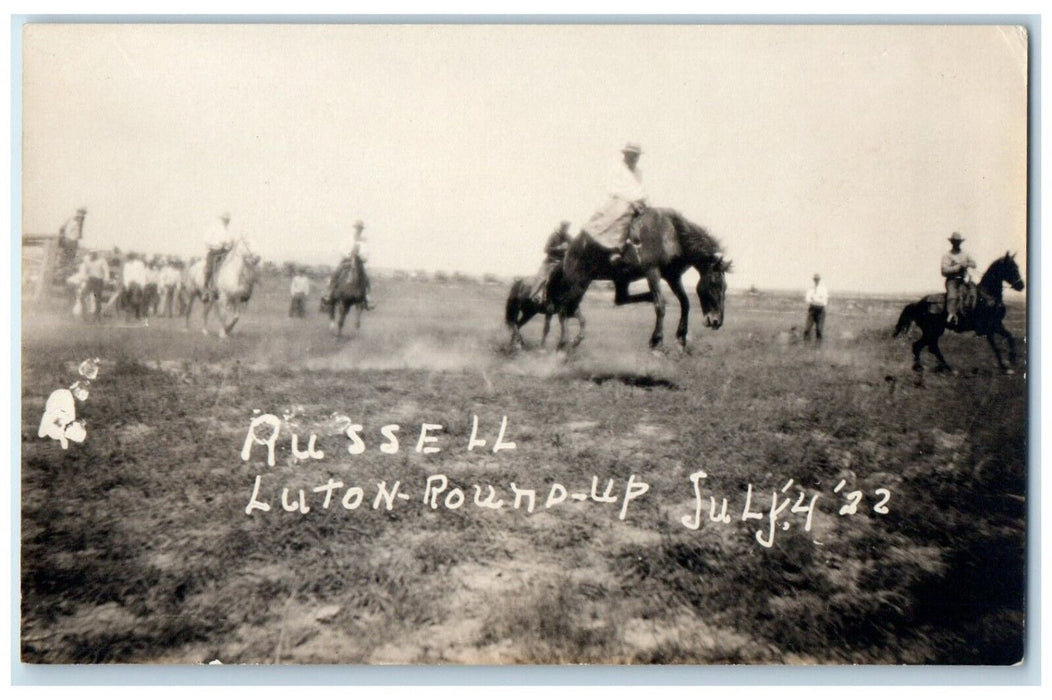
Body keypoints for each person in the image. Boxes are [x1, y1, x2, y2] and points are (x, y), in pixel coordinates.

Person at [581, 142, 647, 266]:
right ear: (626, 155)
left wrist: (642, 200)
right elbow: (614, 189)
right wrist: (631, 202)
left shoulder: (639, 172)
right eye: (632, 155)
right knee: (622, 214)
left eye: (637, 156)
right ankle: (614, 249)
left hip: (637, 201)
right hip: (620, 200)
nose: (635, 158)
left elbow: (639, 189)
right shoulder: (616, 169)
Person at [323, 220, 373, 310]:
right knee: (335, 273)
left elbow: (366, 253)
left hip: (359, 262)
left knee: (366, 278)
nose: (359, 230)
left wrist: (360, 256)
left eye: (360, 228)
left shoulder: (364, 241)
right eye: (357, 228)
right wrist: (349, 254)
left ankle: (367, 299)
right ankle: (329, 294)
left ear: (362, 230)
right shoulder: (348, 239)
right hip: (347, 261)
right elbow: (342, 250)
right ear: (354, 228)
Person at [530, 220, 573, 305]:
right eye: (564, 228)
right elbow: (545, 249)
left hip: (562, 263)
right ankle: (536, 295)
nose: (565, 230)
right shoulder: (553, 236)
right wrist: (559, 248)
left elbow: (574, 247)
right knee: (543, 278)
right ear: (561, 227)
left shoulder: (569, 237)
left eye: (567, 228)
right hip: (550, 262)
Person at [941, 231, 976, 327]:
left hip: (962, 280)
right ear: (951, 243)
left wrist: (968, 264)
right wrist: (958, 267)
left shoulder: (965, 254)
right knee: (952, 296)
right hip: (952, 281)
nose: (957, 244)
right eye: (955, 242)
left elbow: (974, 264)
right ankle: (951, 316)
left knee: (973, 292)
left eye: (958, 242)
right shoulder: (947, 255)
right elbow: (944, 271)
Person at [203, 212, 233, 301]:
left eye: (228, 220)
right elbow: (206, 240)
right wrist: (216, 245)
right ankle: (206, 289)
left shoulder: (228, 231)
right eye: (225, 219)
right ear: (221, 220)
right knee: (209, 269)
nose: (226, 221)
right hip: (214, 251)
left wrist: (229, 245)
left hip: (224, 252)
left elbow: (230, 242)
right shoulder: (213, 229)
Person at [81, 250, 109, 322]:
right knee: (82, 296)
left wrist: (106, 280)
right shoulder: (87, 260)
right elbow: (85, 270)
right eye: (91, 254)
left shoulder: (102, 261)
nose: (92, 255)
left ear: (97, 255)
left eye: (94, 254)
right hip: (90, 280)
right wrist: (85, 278)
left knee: (97, 299)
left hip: (98, 281)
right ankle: (85, 314)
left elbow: (106, 271)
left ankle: (97, 316)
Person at [803, 273, 828, 342]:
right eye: (815, 279)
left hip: (820, 310)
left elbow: (824, 302)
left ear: (819, 280)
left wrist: (813, 299)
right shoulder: (810, 288)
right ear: (813, 280)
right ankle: (806, 348)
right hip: (812, 310)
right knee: (807, 330)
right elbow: (807, 300)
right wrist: (817, 299)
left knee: (819, 331)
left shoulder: (823, 289)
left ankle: (818, 349)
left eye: (817, 279)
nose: (816, 280)